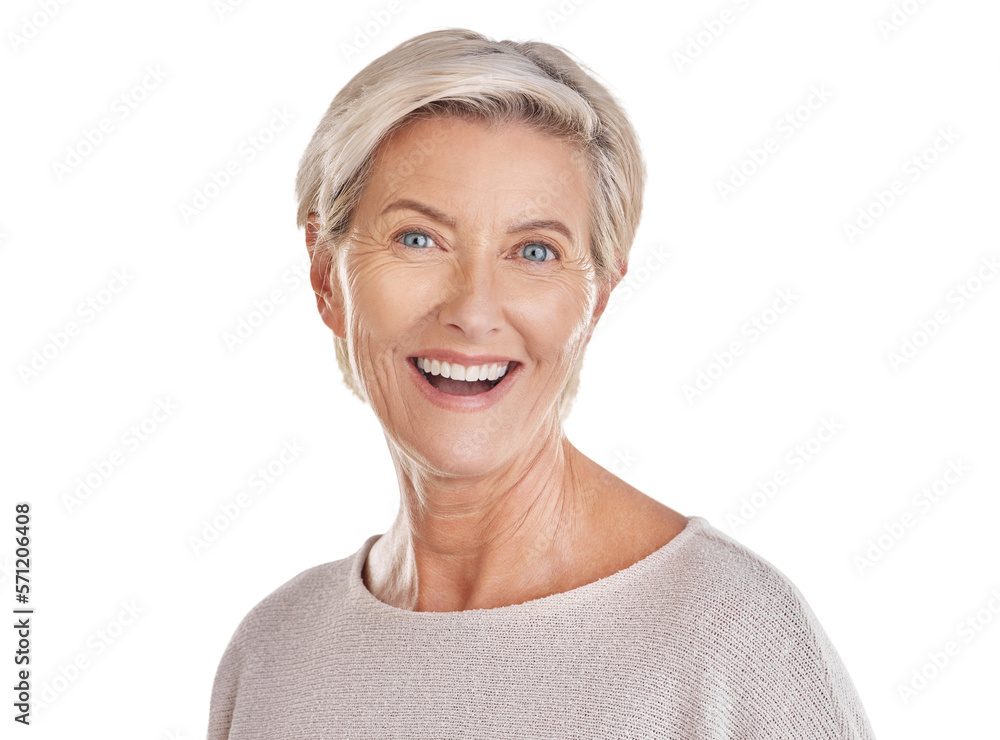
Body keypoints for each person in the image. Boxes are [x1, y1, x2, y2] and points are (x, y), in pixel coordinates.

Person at [207, 28, 876, 739]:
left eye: (534, 251)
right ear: (324, 276)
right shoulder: (275, 654)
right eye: (417, 238)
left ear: (599, 297)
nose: (471, 310)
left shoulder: (727, 638)